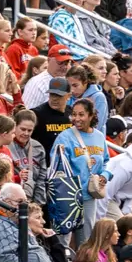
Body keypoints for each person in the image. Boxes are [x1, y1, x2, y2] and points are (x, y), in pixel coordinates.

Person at [52, 97, 108, 242]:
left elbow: (106, 161)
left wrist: (105, 175)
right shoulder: (65, 137)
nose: (76, 118)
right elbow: (56, 166)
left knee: (86, 240)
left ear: (91, 116)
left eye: (81, 114)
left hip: (89, 196)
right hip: (68, 196)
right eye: (74, 114)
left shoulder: (99, 136)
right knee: (63, 239)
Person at [9, 109, 47, 205]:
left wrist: (38, 204)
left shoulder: (38, 148)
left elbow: (41, 179)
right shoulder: (6, 145)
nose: (26, 133)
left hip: (32, 199)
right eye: (23, 129)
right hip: (10, 200)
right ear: (15, 126)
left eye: (29, 130)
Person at [21, 45, 73, 109]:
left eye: (67, 63)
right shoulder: (37, 83)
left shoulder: (70, 81)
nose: (64, 67)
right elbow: (27, 113)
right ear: (49, 60)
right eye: (60, 62)